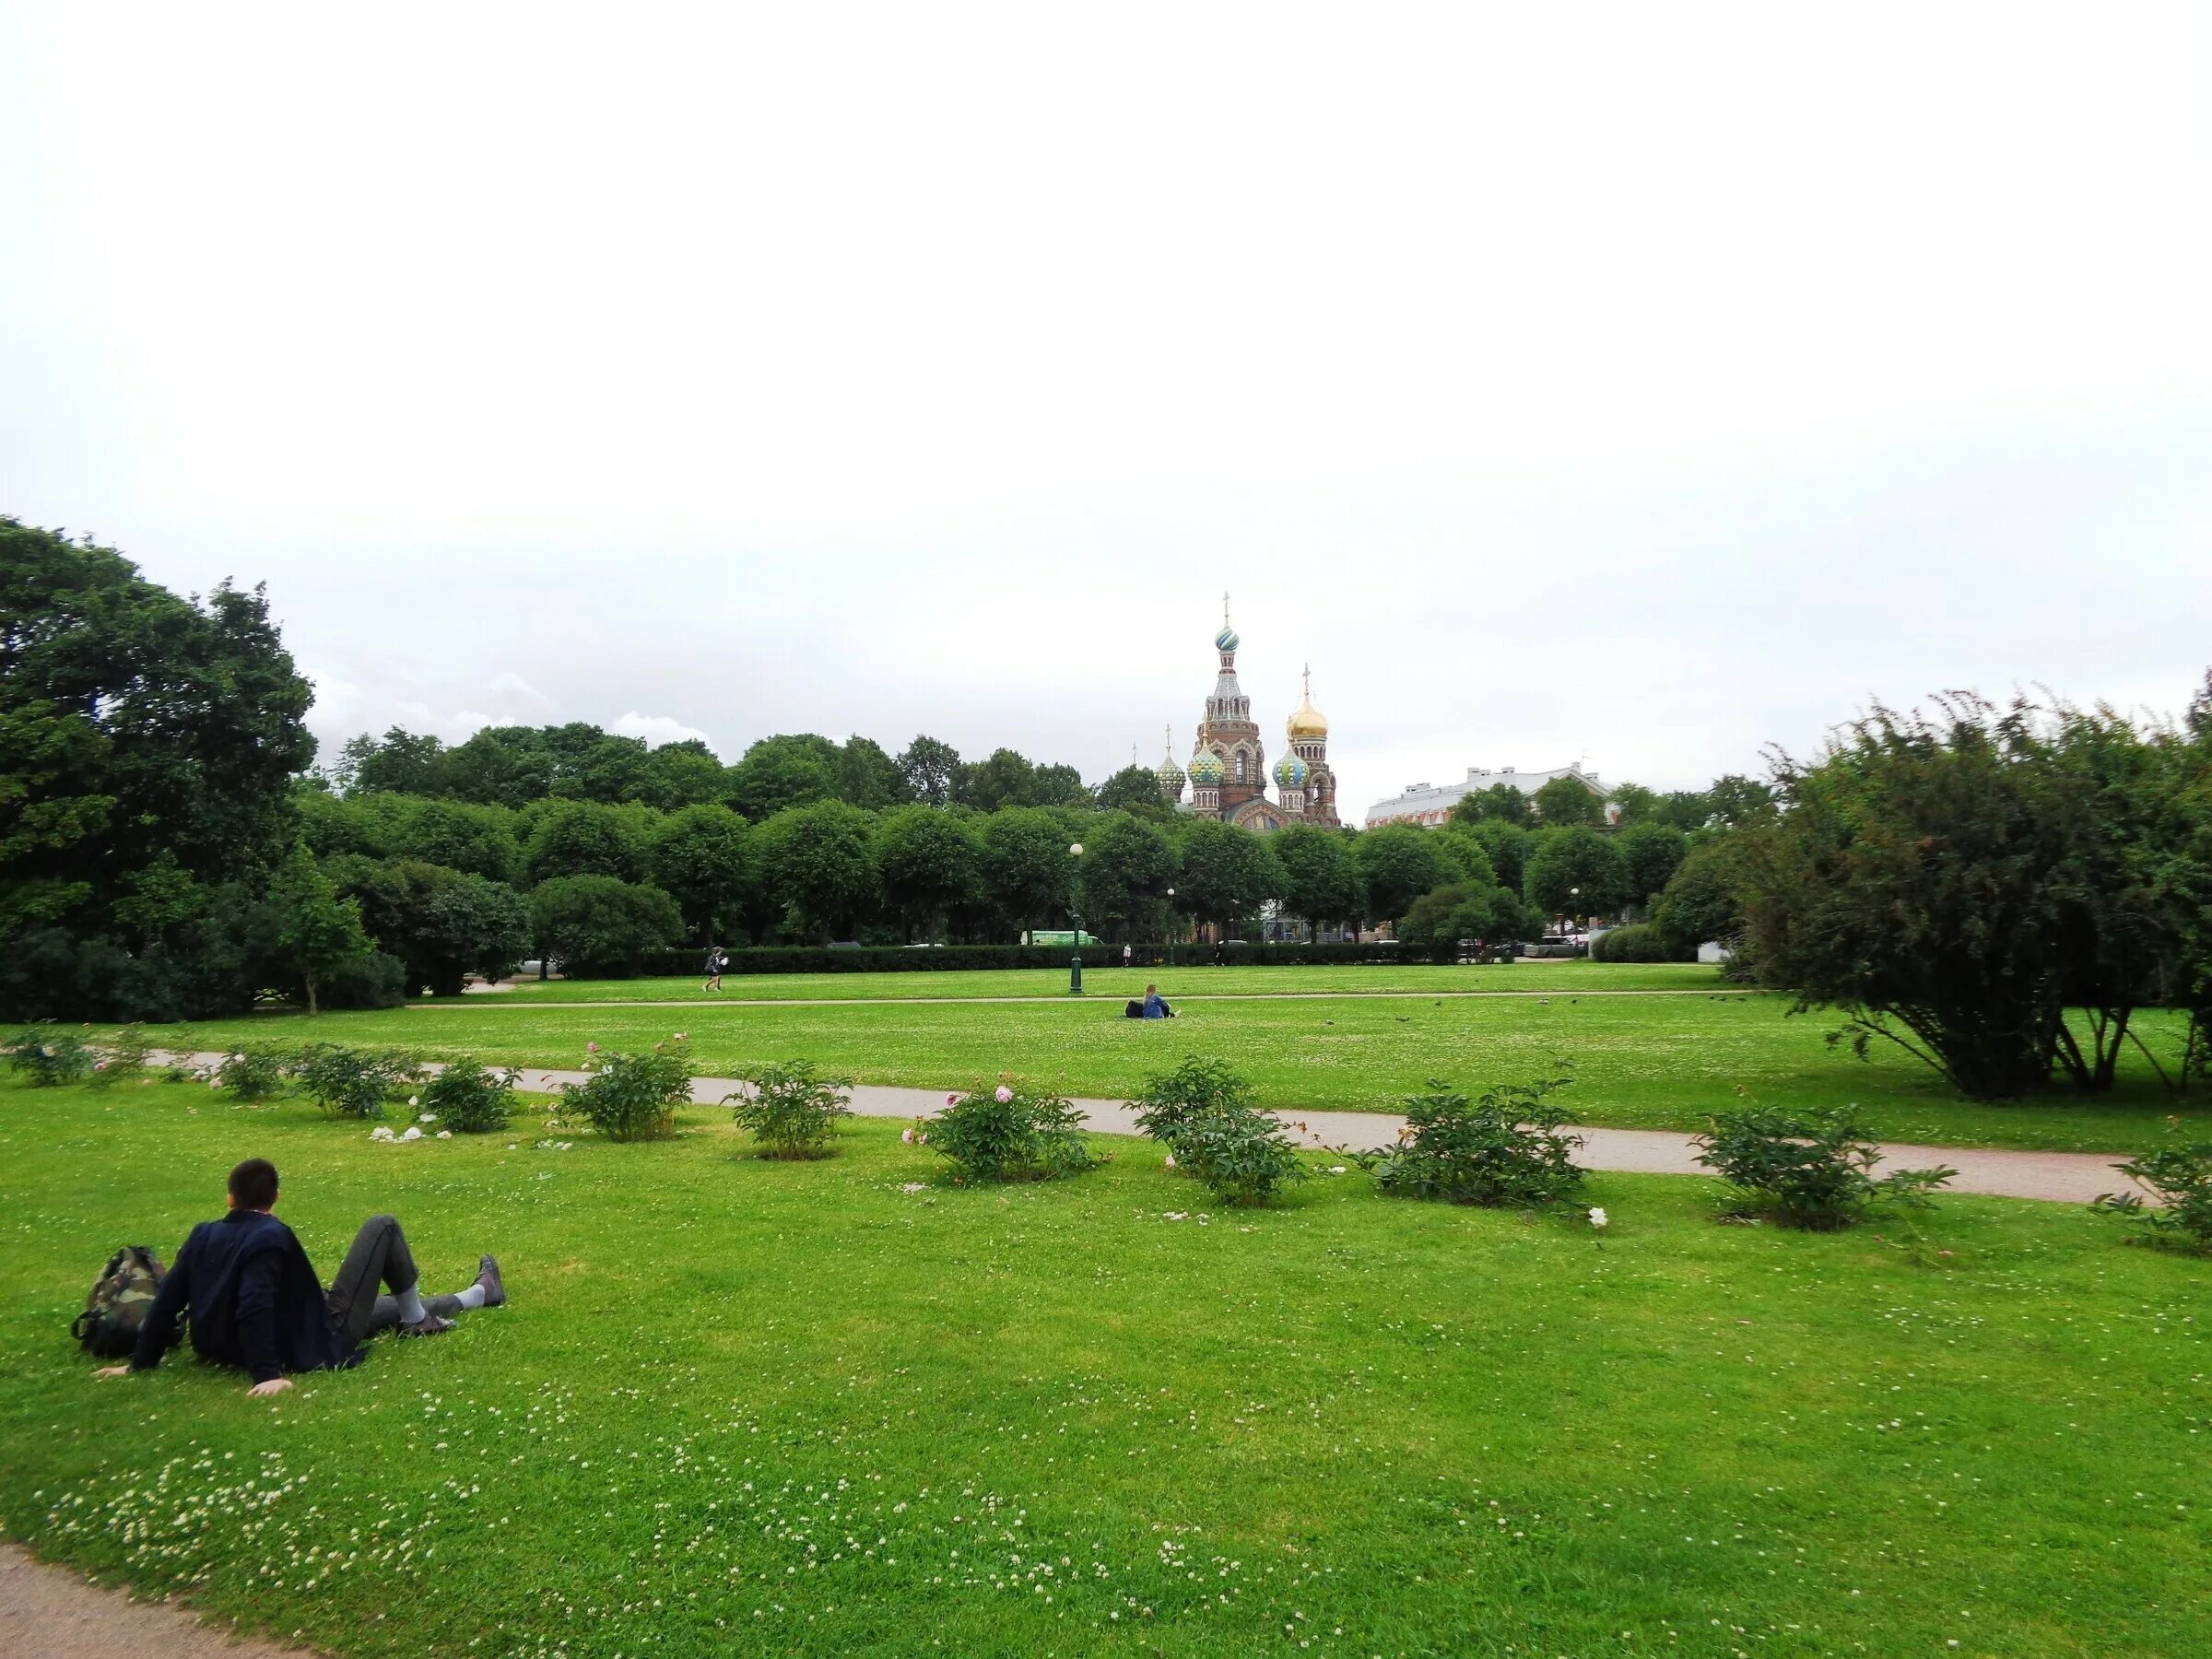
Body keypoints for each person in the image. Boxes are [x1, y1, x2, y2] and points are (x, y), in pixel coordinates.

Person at [94, 1158, 504, 1397]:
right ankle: (421, 1318)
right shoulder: (271, 1234)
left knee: (386, 1309)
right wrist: (267, 1375)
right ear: (275, 1199)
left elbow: (169, 1300)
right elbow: (254, 1305)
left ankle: (477, 1294)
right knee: (383, 1225)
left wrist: (139, 1365)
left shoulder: (204, 1232)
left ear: (230, 1198)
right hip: (314, 1336)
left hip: (218, 1345)